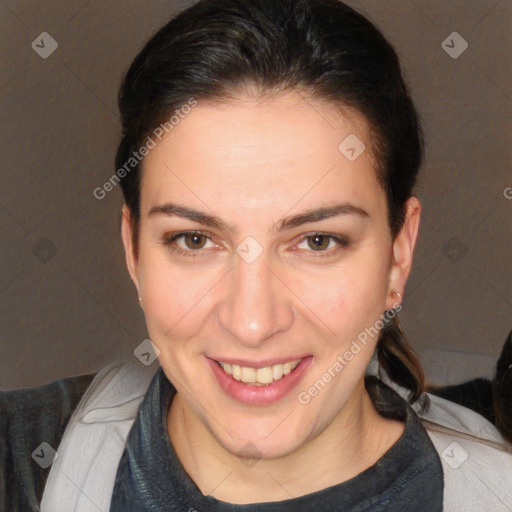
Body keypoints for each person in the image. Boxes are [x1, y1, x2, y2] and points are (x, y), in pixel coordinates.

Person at [1, 1, 511, 511]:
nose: (251, 322)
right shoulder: (20, 465)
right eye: (194, 240)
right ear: (134, 251)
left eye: (317, 241)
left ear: (398, 256)